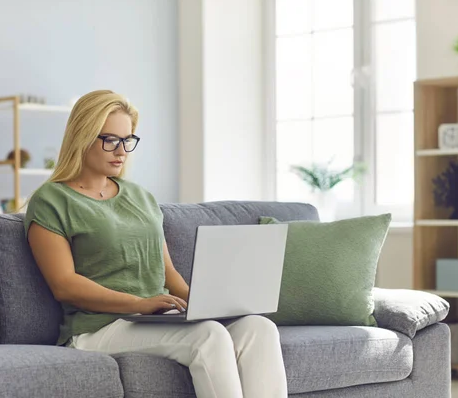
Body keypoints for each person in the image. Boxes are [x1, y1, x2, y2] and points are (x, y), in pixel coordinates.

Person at [24, 90, 288, 398]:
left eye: (127, 140)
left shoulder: (141, 197)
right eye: (110, 140)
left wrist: (209, 305)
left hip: (152, 319)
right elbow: (65, 284)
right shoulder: (51, 200)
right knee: (208, 336)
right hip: (97, 329)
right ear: (82, 137)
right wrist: (138, 304)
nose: (121, 150)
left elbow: (167, 273)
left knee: (258, 329)